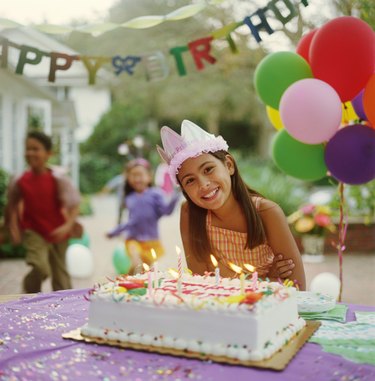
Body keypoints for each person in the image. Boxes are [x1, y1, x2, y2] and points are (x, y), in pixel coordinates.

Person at [157, 120, 306, 290]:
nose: (203, 184)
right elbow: (200, 286)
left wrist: (225, 284)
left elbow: (298, 289)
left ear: (229, 165)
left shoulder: (266, 212)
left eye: (208, 169)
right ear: (183, 189)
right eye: (190, 180)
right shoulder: (189, 213)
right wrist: (269, 280)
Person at [5, 130, 81, 293]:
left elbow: (74, 205)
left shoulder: (58, 178)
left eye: (35, 149)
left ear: (48, 154)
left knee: (61, 276)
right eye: (28, 149)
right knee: (40, 267)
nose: (30, 153)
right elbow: (11, 205)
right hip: (34, 231)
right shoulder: (20, 180)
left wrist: (67, 226)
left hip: (58, 230)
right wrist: (13, 228)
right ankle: (30, 296)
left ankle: (66, 306)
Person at [106, 158, 180, 274]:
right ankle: (127, 283)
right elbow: (131, 222)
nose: (137, 178)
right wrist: (115, 231)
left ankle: (139, 288)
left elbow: (167, 212)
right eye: (133, 175)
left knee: (147, 273)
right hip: (133, 239)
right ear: (128, 178)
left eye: (140, 175)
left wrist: (176, 195)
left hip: (151, 242)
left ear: (149, 176)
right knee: (136, 264)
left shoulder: (156, 194)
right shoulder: (129, 198)